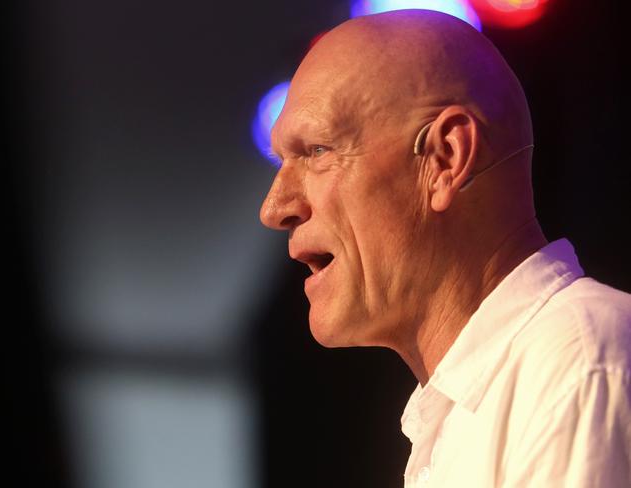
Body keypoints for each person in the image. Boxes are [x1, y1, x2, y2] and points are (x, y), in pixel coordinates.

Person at [258, 9, 631, 488]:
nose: (275, 208)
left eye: (317, 152)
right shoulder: (461, 414)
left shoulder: (577, 363)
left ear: (445, 159)